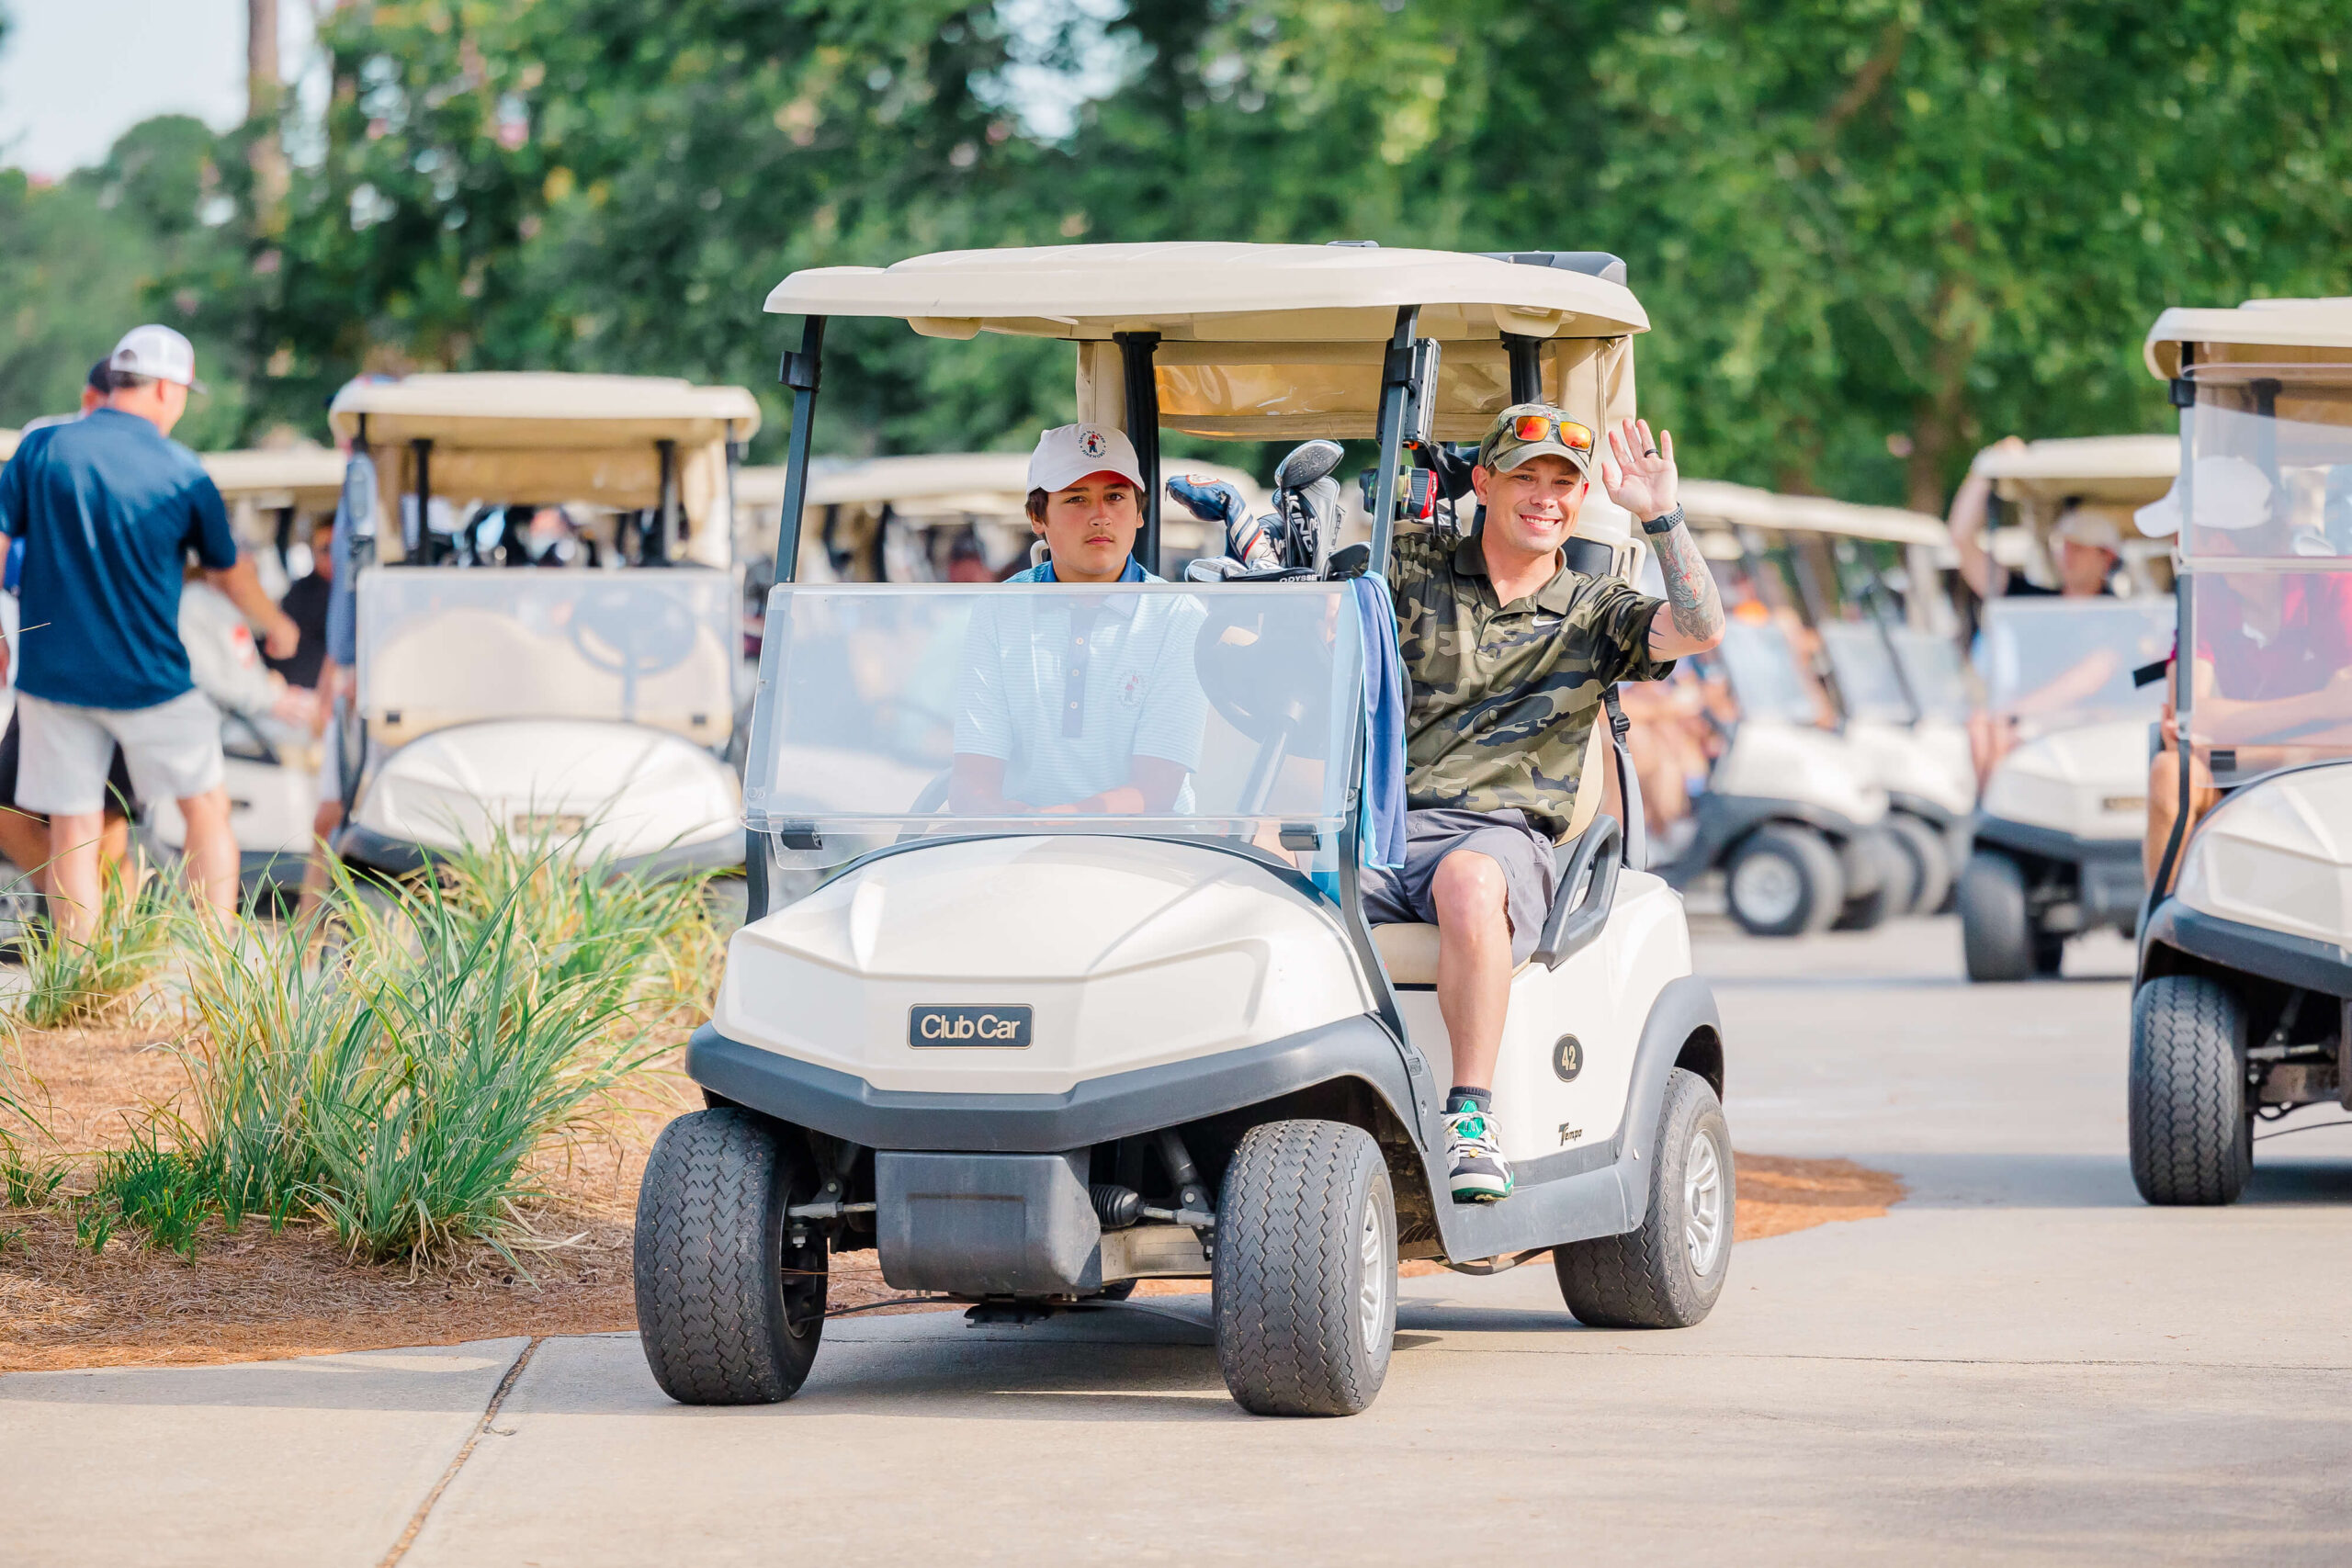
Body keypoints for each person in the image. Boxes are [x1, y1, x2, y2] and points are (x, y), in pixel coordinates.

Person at [1373, 405, 1725, 1203]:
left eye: (1563, 483)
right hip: (1384, 833)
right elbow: (1325, 616)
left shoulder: (1595, 607)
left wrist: (1662, 517)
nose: (1546, 496)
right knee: (1264, 887)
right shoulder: (1412, 564)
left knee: (1467, 882)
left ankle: (1470, 1116)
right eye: (1526, 476)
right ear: (1485, 482)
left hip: (1499, 838)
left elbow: (1701, 628)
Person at [0, 325, 298, 934]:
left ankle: (80, 979)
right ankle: (215, 965)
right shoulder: (183, 469)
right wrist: (277, 625)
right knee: (207, 809)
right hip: (149, 679)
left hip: (54, 678)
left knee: (74, 824)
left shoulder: (42, 449)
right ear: (165, 389)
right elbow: (229, 577)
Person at [950, 423, 1207, 817]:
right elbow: (973, 782)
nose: (1100, 517)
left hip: (1150, 848)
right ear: (1038, 517)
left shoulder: (1178, 615)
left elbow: (1156, 792)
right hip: (1016, 841)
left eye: (1116, 497)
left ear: (1139, 513)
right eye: (1076, 499)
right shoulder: (999, 610)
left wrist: (1054, 824)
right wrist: (1023, 826)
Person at [0, 357, 143, 896]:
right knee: (46, 819)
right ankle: (91, 935)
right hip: (50, 659)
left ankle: (109, 954)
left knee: (102, 826)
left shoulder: (136, 453)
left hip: (110, 659)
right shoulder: (47, 440)